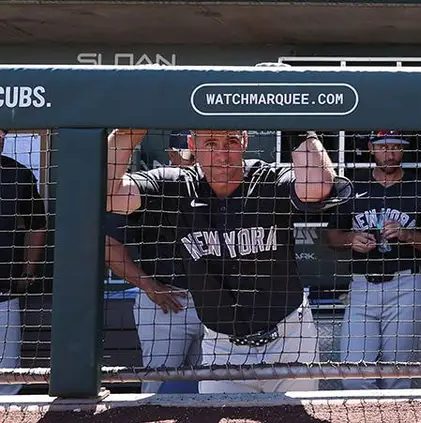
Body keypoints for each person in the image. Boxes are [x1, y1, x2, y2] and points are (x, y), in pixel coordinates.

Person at [105, 128, 352, 393]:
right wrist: (131, 129)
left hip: (289, 339)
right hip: (221, 348)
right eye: (210, 142)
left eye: (232, 141)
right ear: (193, 144)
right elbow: (110, 195)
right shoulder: (174, 185)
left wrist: (297, 126)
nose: (222, 154)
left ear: (245, 141)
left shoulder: (266, 179)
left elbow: (318, 187)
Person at [326, 131, 421, 390]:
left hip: (406, 285)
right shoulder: (351, 188)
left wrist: (406, 234)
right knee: (353, 374)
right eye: (383, 147)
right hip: (362, 287)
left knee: (397, 376)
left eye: (396, 147)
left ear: (404, 149)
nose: (390, 154)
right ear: (371, 148)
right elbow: (332, 237)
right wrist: (351, 239)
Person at [104, 131, 203, 393]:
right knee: (157, 387)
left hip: (215, 303)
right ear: (172, 153)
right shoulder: (148, 186)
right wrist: (147, 285)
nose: (197, 159)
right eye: (190, 153)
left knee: (216, 388)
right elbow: (109, 245)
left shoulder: (220, 187)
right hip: (165, 304)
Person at [0, 129, 47, 395]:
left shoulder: (17, 174)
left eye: (2, 134)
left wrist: (28, 272)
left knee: (6, 381)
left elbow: (37, 225)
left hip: (4, 292)